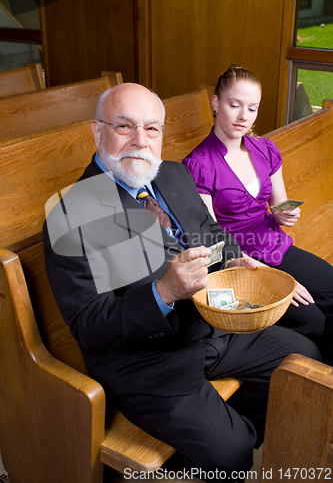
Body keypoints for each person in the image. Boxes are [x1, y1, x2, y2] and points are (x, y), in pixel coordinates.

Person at [43, 82, 321, 482]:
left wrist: (236, 257)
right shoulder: (70, 215)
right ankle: (219, 445)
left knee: (303, 358)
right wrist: (164, 293)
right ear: (97, 131)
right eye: (125, 126)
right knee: (230, 454)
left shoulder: (172, 174)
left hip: (214, 322)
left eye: (152, 129)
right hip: (148, 358)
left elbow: (211, 231)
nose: (141, 141)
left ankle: (228, 428)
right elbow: (88, 324)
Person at [182, 65, 333, 364]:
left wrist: (284, 215)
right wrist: (276, 280)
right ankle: (307, 376)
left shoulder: (265, 149)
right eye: (234, 105)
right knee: (313, 320)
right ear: (215, 103)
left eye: (252, 108)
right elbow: (213, 239)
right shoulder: (197, 164)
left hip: (275, 244)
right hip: (242, 263)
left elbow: (278, 205)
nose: (243, 116)